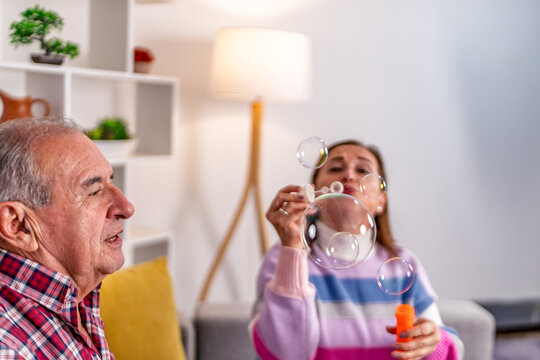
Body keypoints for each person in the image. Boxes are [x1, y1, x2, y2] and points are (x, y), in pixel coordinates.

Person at [250, 140, 464, 360]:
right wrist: (292, 246)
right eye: (335, 168)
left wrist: (433, 342)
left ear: (381, 201)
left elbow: (448, 346)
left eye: (362, 170)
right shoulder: (285, 256)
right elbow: (285, 353)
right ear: (313, 193)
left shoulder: (402, 263)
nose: (349, 176)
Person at [0, 118, 134, 359]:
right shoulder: (9, 349)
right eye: (94, 191)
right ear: (18, 225)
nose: (126, 207)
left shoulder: (74, 296)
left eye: (110, 181)